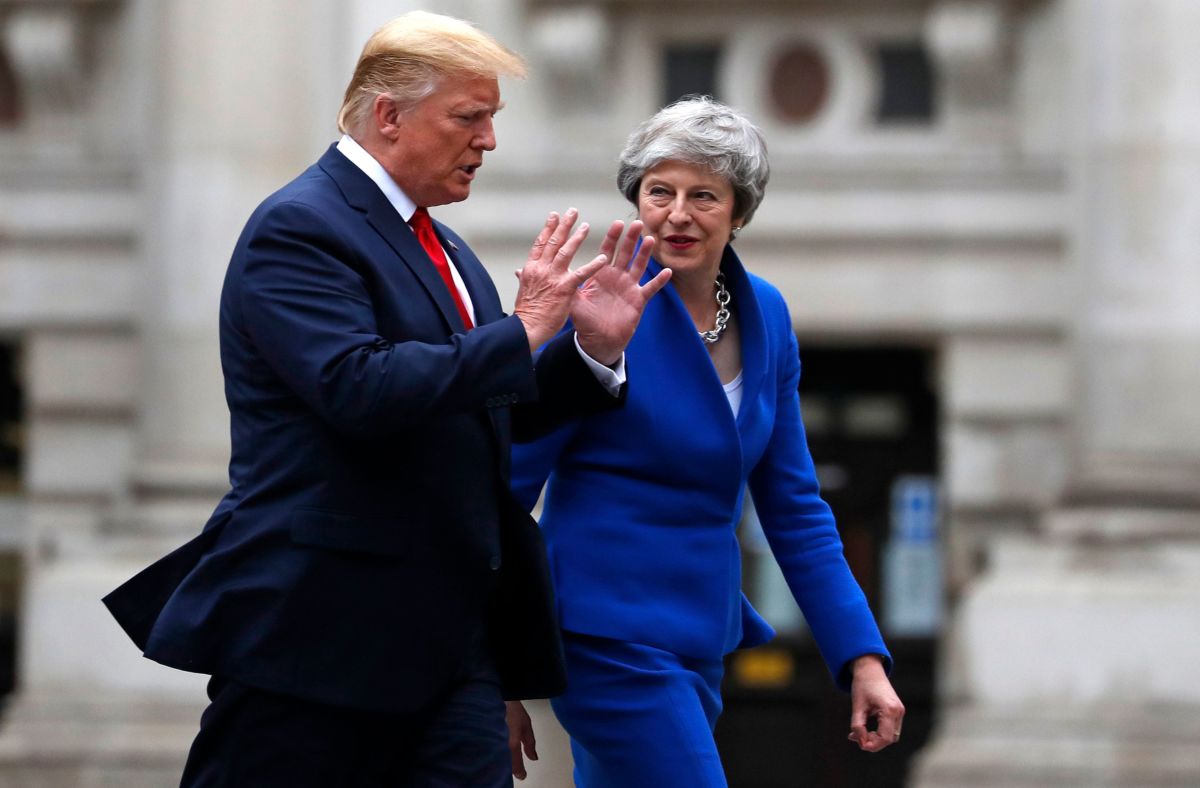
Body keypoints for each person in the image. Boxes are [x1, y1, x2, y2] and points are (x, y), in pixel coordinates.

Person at [102, 11, 669, 787]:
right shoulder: (299, 226)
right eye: (470, 118)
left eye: (493, 119)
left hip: (450, 646)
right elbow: (358, 389)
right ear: (388, 115)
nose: (489, 142)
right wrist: (522, 330)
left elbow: (481, 407)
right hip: (319, 639)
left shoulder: (443, 243)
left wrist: (588, 351)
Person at [505, 97, 905, 786]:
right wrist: (499, 665)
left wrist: (861, 656)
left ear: (739, 212)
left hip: (700, 639)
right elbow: (509, 482)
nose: (678, 213)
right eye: (659, 191)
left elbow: (794, 507)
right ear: (636, 199)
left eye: (704, 195)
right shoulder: (599, 308)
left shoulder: (768, 317)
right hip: (604, 637)